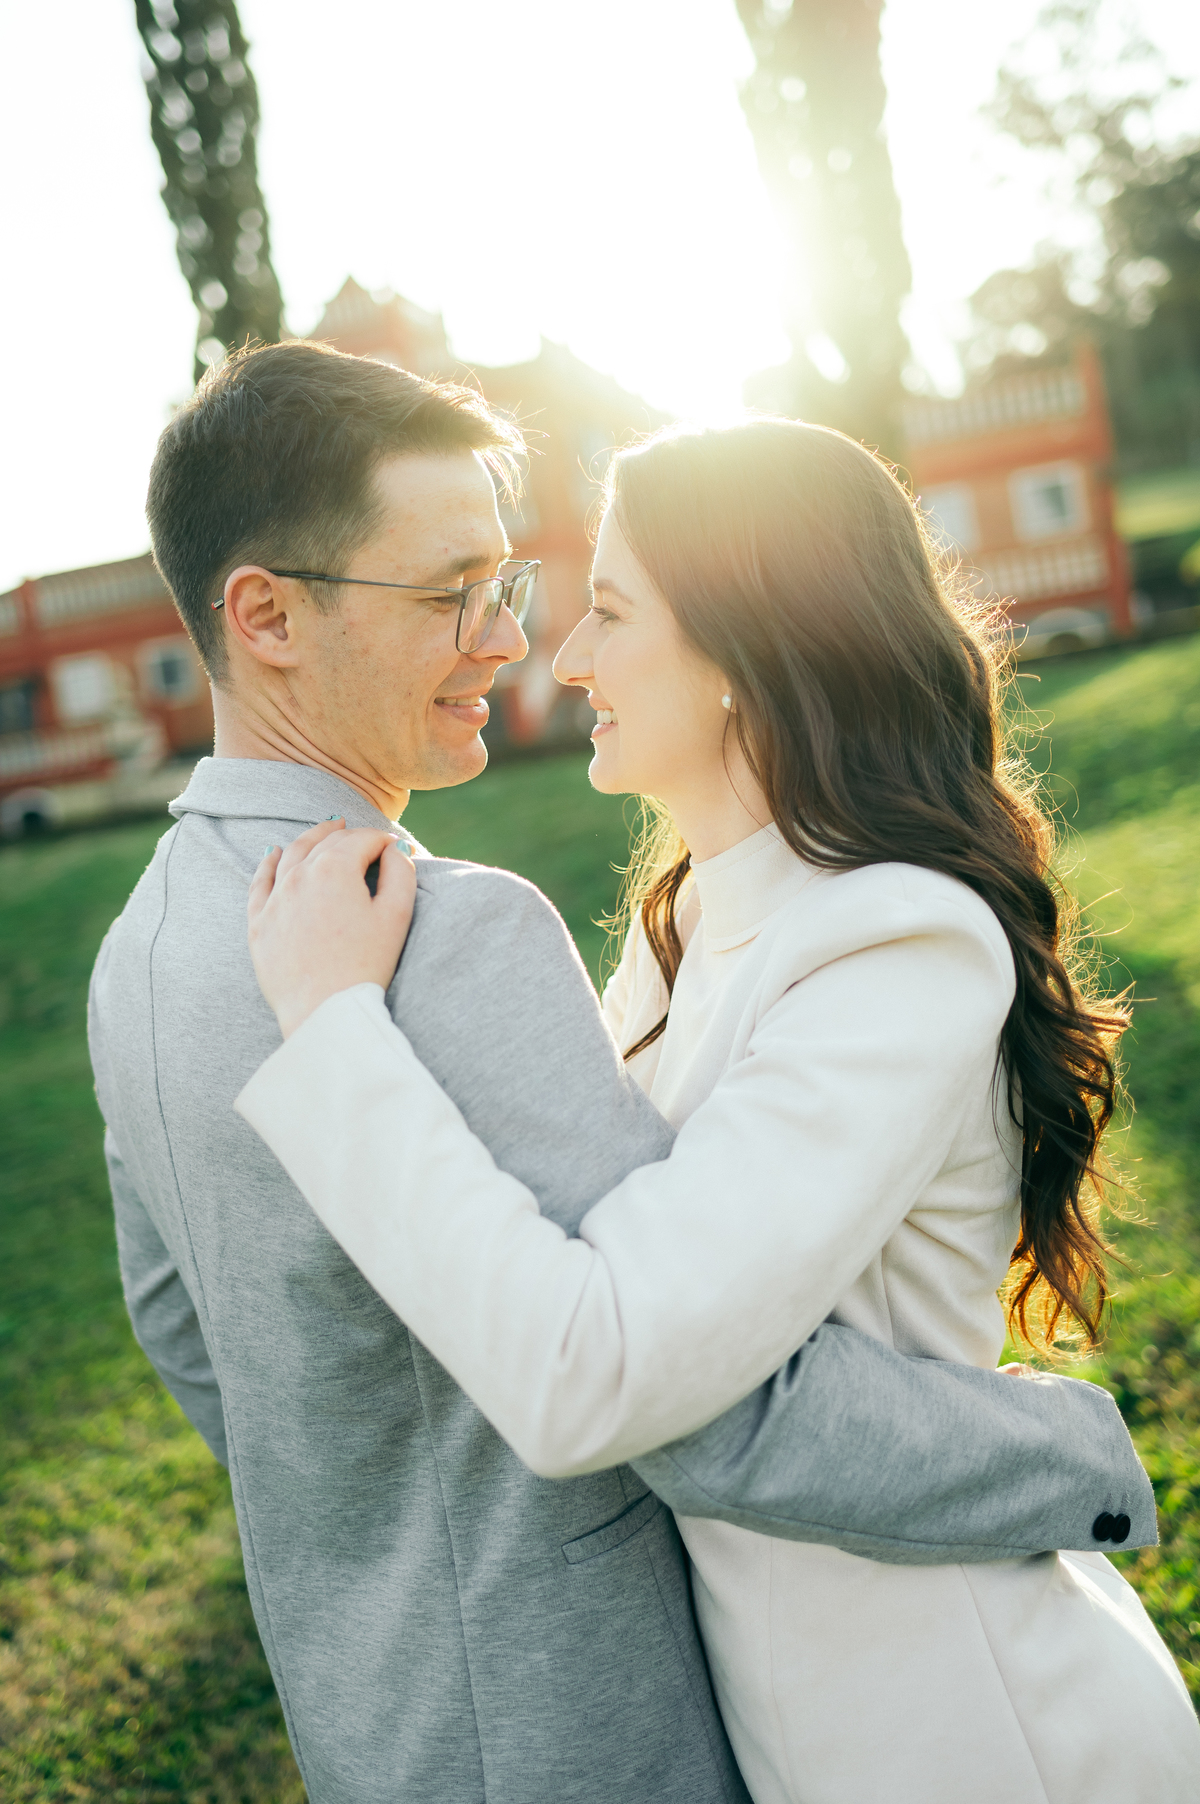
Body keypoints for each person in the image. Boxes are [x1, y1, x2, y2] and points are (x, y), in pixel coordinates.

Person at [90, 341, 1162, 1804]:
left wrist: (377, 1532)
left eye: (549, 598)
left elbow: (198, 1338)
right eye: (450, 593)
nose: (527, 646)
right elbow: (671, 1399)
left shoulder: (137, 952)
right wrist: (1059, 1451)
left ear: (748, 650)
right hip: (582, 1717)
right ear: (264, 615)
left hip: (941, 1721)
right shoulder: (463, 935)